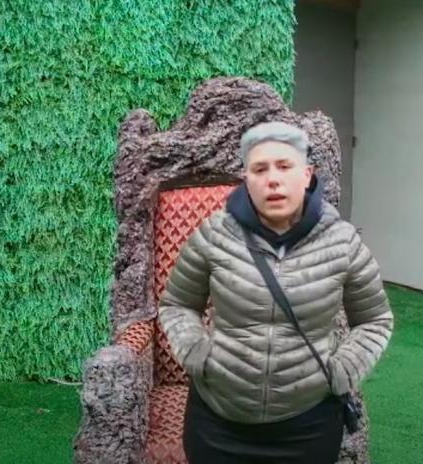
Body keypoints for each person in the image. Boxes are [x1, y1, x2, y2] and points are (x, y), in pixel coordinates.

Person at [159, 121, 394, 464]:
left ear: (307, 175)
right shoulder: (214, 235)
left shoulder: (342, 242)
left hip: (307, 424)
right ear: (246, 178)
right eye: (260, 169)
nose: (273, 179)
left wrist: (343, 370)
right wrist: (196, 351)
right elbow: (177, 304)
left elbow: (375, 319)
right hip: (218, 418)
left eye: (285, 166)